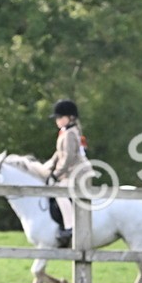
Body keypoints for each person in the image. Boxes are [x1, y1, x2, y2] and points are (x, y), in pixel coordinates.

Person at [44, 99, 89, 247]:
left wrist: (56, 174)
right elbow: (58, 154)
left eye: (59, 117)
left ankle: (70, 227)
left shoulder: (70, 133)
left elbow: (69, 157)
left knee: (59, 192)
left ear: (70, 117)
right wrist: (46, 168)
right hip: (70, 171)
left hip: (77, 172)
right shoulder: (65, 132)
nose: (57, 120)